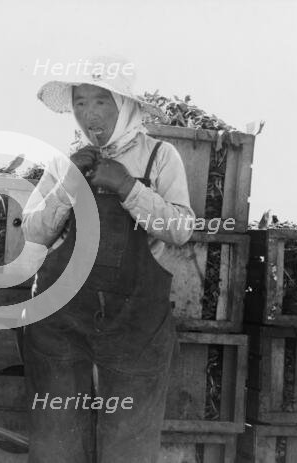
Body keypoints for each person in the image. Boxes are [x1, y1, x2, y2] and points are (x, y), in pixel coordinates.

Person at [22, 63, 196, 462]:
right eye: (80, 102)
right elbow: (34, 232)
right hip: (63, 319)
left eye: (102, 101)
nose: (90, 113)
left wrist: (126, 186)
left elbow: (181, 228)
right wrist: (67, 187)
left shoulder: (159, 157)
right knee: (57, 439)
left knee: (128, 444)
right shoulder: (65, 163)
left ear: (125, 105)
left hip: (135, 321)